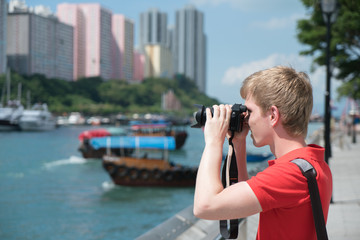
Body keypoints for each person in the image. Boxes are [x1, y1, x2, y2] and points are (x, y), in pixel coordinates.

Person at [193, 66, 333, 239]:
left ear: (273, 115)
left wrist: (213, 141)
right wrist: (239, 143)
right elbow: (243, 200)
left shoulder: (289, 174)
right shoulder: (312, 163)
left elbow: (204, 206)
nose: (246, 119)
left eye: (249, 111)